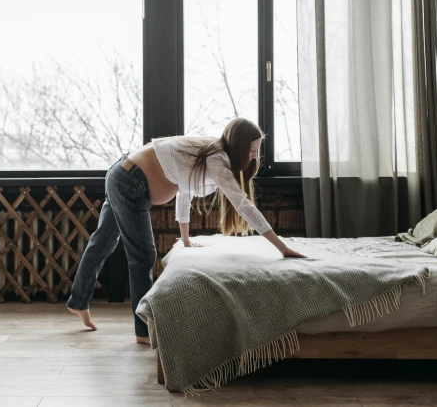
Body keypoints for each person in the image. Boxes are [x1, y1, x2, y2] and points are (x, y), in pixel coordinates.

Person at [66, 118, 306, 343]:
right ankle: (143, 331)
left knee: (105, 241)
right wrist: (282, 247)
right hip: (129, 181)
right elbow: (243, 204)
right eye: (252, 150)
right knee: (143, 255)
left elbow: (184, 191)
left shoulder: (207, 153)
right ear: (240, 146)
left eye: (257, 151)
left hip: (122, 173)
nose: (255, 157)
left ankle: (78, 301)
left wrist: (185, 238)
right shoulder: (216, 159)